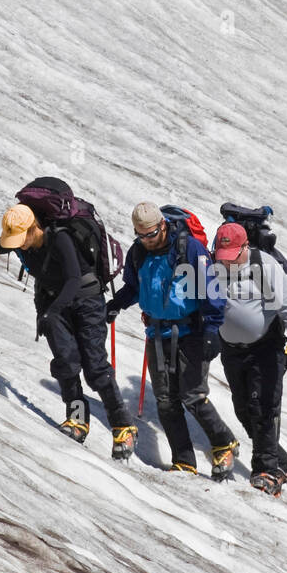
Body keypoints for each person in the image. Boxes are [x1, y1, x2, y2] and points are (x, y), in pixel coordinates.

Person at [0, 204, 137, 459]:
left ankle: (123, 427)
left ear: (33, 228)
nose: (19, 245)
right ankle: (78, 420)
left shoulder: (60, 238)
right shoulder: (21, 240)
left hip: (86, 302)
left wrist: (53, 311)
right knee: (66, 363)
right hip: (52, 305)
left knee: (96, 368)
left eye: (21, 239)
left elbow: (72, 279)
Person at [106, 203, 237, 478]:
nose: (147, 241)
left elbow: (210, 289)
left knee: (193, 395)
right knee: (165, 400)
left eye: (151, 235)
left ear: (163, 225)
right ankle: (184, 461)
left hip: (191, 332)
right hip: (156, 333)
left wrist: (213, 329)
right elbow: (134, 286)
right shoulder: (138, 252)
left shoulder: (189, 249)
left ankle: (223, 442)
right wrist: (116, 303)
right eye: (141, 236)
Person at [211, 222, 287, 496]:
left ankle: (266, 469)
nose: (227, 264)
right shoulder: (215, 267)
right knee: (242, 408)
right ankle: (278, 460)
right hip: (231, 349)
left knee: (264, 407)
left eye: (231, 258)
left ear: (244, 248)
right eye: (223, 258)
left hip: (265, 348)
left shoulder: (264, 267)